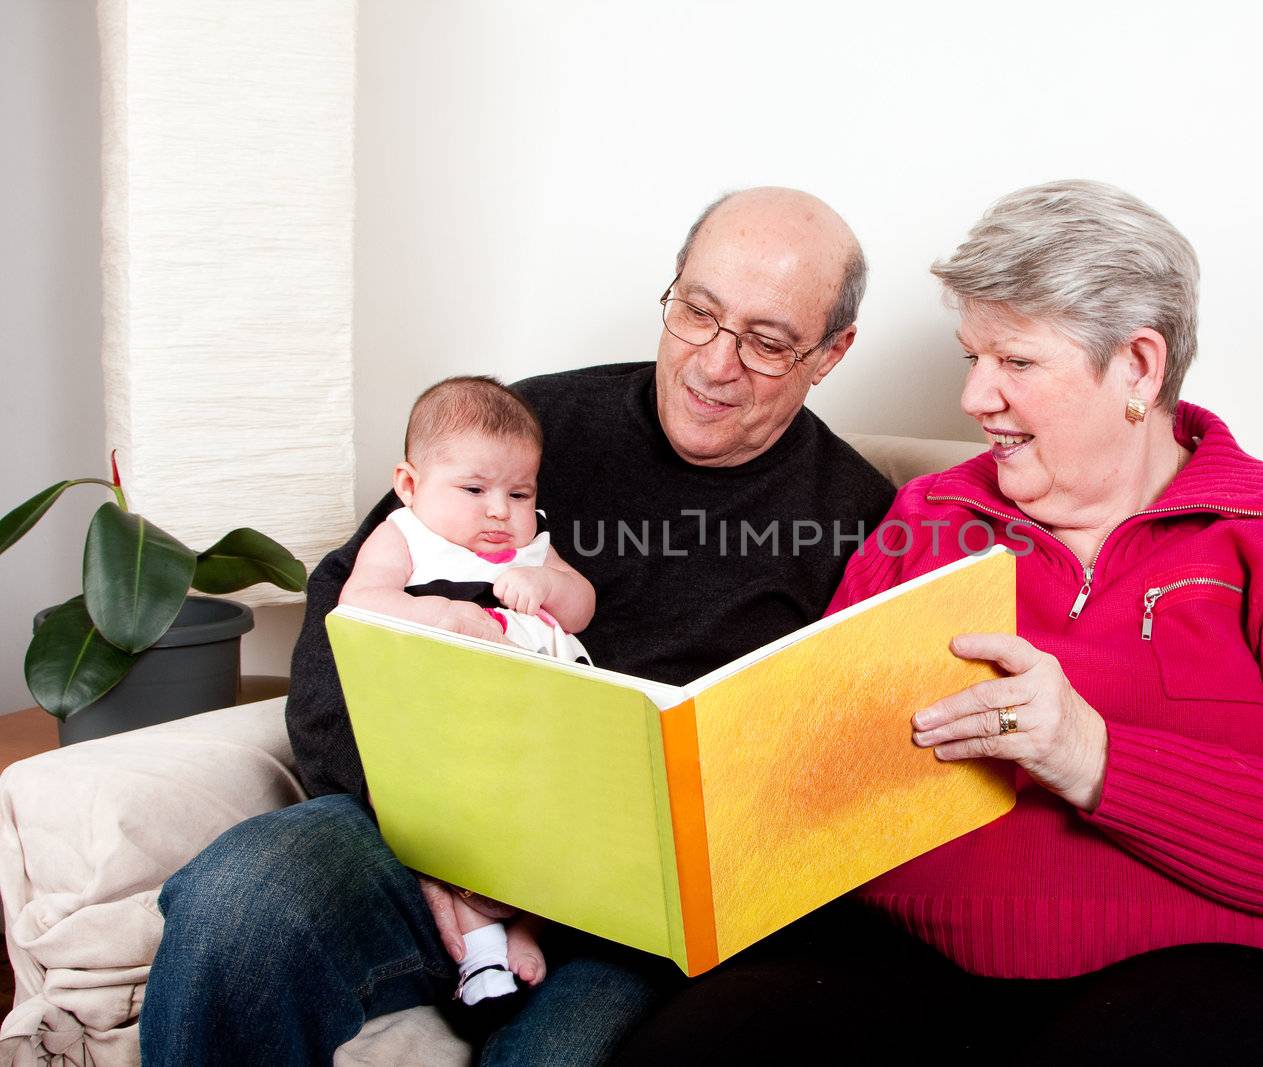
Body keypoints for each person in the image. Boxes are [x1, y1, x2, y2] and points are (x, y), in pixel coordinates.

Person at [613, 181, 1263, 1066]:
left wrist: (1092, 755)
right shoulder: (933, 515)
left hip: (1213, 978)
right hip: (910, 973)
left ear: (1138, 368)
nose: (973, 396)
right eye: (973, 356)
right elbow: (815, 767)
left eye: (1016, 363)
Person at [140, 187, 897, 1065]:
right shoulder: (527, 430)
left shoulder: (857, 517)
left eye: (766, 342)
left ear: (831, 353)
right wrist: (419, 832)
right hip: (430, 830)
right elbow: (342, 618)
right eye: (697, 311)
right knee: (238, 904)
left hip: (632, 917)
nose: (714, 364)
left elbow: (841, 776)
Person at [339, 375, 597, 1006]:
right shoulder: (406, 536)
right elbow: (359, 601)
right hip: (460, 726)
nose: (498, 511)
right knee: (466, 832)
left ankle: (532, 929)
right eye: (475, 489)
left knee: (571, 828)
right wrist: (449, 617)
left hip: (548, 724)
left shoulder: (532, 545)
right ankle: (482, 957)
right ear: (409, 484)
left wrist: (547, 587)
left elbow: (584, 603)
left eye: (519, 492)